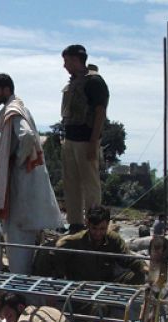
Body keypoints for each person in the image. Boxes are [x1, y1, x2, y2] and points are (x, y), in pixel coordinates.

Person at [0, 73, 62, 274]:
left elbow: (27, 136)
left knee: (18, 253)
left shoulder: (14, 111)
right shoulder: (17, 110)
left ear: (6, 89)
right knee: (20, 250)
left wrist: (17, 162)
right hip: (21, 193)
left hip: (20, 193)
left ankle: (20, 297)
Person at [60, 44, 109, 233]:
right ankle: (75, 223)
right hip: (71, 139)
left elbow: (100, 112)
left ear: (75, 60)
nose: (64, 66)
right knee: (71, 183)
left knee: (90, 184)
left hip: (86, 139)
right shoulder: (74, 82)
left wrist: (93, 142)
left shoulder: (94, 82)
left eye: (66, 61)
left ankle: (95, 222)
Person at [43, 204, 147, 284]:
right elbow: (55, 253)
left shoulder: (113, 239)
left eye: (102, 229)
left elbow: (127, 259)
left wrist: (144, 268)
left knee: (140, 276)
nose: (98, 233)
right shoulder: (76, 240)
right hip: (82, 286)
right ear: (87, 223)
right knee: (99, 307)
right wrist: (58, 278)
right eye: (94, 228)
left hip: (107, 282)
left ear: (108, 224)